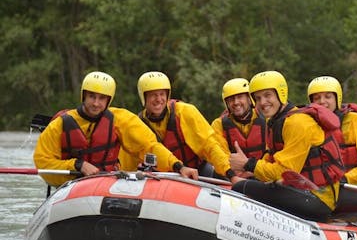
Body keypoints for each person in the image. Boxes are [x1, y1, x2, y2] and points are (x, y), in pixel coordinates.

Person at [34, 71, 198, 187]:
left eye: (101, 98)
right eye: (92, 97)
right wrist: (78, 165)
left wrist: (178, 166)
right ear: (84, 96)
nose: (96, 103)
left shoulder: (120, 119)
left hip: (107, 182)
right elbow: (43, 163)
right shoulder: (59, 125)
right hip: (72, 184)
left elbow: (149, 146)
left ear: (108, 100)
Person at [229, 71, 345, 221]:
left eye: (267, 95)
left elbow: (284, 171)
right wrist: (248, 171)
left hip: (319, 198)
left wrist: (248, 164)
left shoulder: (297, 123)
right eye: (257, 98)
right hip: (301, 189)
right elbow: (271, 159)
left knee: (240, 187)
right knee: (247, 183)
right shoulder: (277, 121)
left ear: (281, 94)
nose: (262, 102)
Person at [119, 71, 238, 181]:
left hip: (198, 171)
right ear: (144, 98)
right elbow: (127, 161)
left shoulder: (185, 112)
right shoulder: (138, 125)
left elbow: (209, 145)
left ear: (168, 95)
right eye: (153, 95)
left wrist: (229, 173)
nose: (159, 99)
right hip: (163, 178)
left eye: (162, 94)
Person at [307, 76, 357, 211]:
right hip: (321, 189)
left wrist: (346, 179)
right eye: (317, 98)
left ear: (337, 99)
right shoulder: (306, 125)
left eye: (328, 97)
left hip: (352, 188)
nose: (322, 102)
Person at [210, 78, 266, 170]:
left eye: (240, 97)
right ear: (226, 103)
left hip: (261, 172)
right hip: (233, 174)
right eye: (231, 99)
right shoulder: (218, 124)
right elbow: (221, 156)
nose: (236, 102)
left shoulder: (266, 119)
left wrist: (254, 171)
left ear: (249, 99)